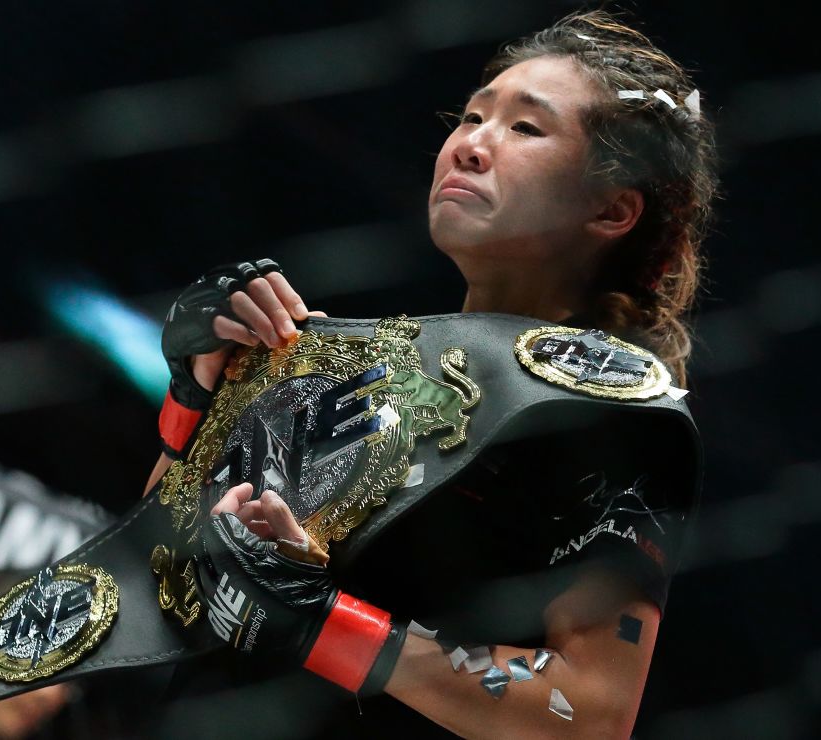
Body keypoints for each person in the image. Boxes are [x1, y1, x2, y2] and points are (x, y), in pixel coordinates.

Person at [148, 10, 715, 738]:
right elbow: (151, 583)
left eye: (525, 128)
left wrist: (325, 624)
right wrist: (192, 397)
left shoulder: (616, 419)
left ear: (611, 209)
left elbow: (592, 715)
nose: (472, 146)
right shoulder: (335, 362)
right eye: (472, 116)